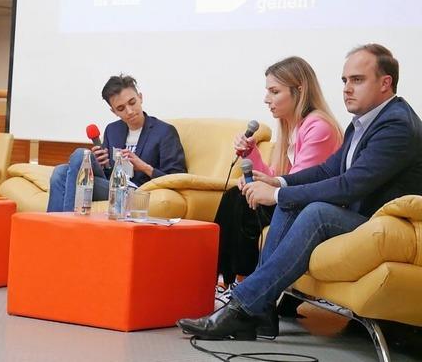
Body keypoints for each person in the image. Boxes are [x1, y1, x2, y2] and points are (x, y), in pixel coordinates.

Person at [177, 43, 422, 340]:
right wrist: (278, 183)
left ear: (386, 83)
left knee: (315, 211)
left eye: (357, 80)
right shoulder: (361, 124)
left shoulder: (396, 124)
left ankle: (244, 308)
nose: (347, 88)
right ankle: (261, 312)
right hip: (364, 216)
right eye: (344, 80)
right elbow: (329, 170)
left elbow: (350, 185)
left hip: (388, 224)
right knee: (290, 202)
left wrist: (278, 195)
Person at [216, 57, 342, 288]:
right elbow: (275, 176)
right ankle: (228, 280)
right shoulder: (290, 129)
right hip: (293, 198)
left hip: (309, 204)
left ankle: (239, 282)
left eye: (274, 91)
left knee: (238, 200)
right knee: (237, 195)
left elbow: (297, 183)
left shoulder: (319, 127)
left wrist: (260, 187)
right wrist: (250, 154)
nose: (267, 99)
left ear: (299, 90)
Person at [47, 74, 187, 212]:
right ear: (113, 111)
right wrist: (101, 163)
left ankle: (65, 223)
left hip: (136, 192)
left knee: (77, 157)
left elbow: (178, 178)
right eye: (121, 108)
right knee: (62, 171)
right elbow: (107, 173)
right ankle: (55, 228)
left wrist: (144, 167)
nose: (129, 111)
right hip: (112, 185)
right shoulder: (112, 130)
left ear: (140, 97)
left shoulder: (164, 132)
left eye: (132, 102)